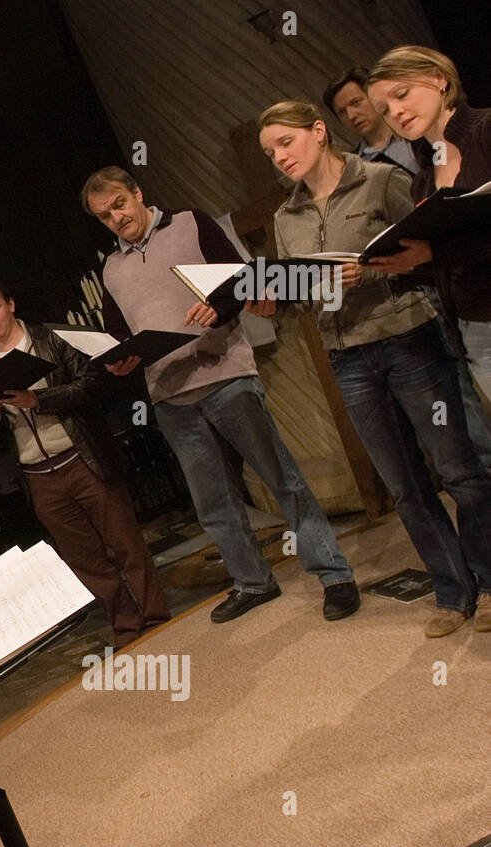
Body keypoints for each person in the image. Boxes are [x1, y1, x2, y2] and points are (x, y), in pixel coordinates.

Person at [81, 167, 359, 624]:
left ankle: (333, 574)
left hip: (225, 374)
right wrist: (118, 359)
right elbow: (117, 332)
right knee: (212, 500)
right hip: (169, 393)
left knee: (281, 478)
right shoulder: (111, 267)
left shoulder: (191, 222)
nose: (115, 218)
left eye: (118, 205)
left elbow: (242, 283)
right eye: (104, 216)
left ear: (137, 193)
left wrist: (218, 307)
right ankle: (252, 581)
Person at [260, 100, 491, 637]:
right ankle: (453, 592)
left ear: (318, 132)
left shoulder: (382, 179)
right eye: (270, 152)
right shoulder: (284, 215)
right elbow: (301, 287)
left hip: (408, 338)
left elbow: (429, 252)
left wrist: (369, 273)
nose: (280, 157)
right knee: (405, 486)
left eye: (286, 143)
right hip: (347, 358)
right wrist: (274, 295)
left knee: (457, 469)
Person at [0, 279, 171, 649]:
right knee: (87, 561)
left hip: (81, 457)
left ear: (10, 304)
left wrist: (38, 399)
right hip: (38, 474)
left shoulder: (49, 339)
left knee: (126, 543)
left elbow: (92, 385)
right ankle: (126, 629)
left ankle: (156, 618)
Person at [366, 46, 491, 405]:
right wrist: (397, 264)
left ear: (439, 78)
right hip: (475, 324)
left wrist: (435, 251)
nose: (396, 112)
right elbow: (446, 265)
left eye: (401, 94)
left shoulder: (486, 130)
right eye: (384, 111)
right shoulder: (422, 180)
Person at [323, 66, 420, 174]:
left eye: (356, 102)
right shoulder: (354, 167)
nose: (351, 115)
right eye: (342, 112)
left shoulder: (416, 130)